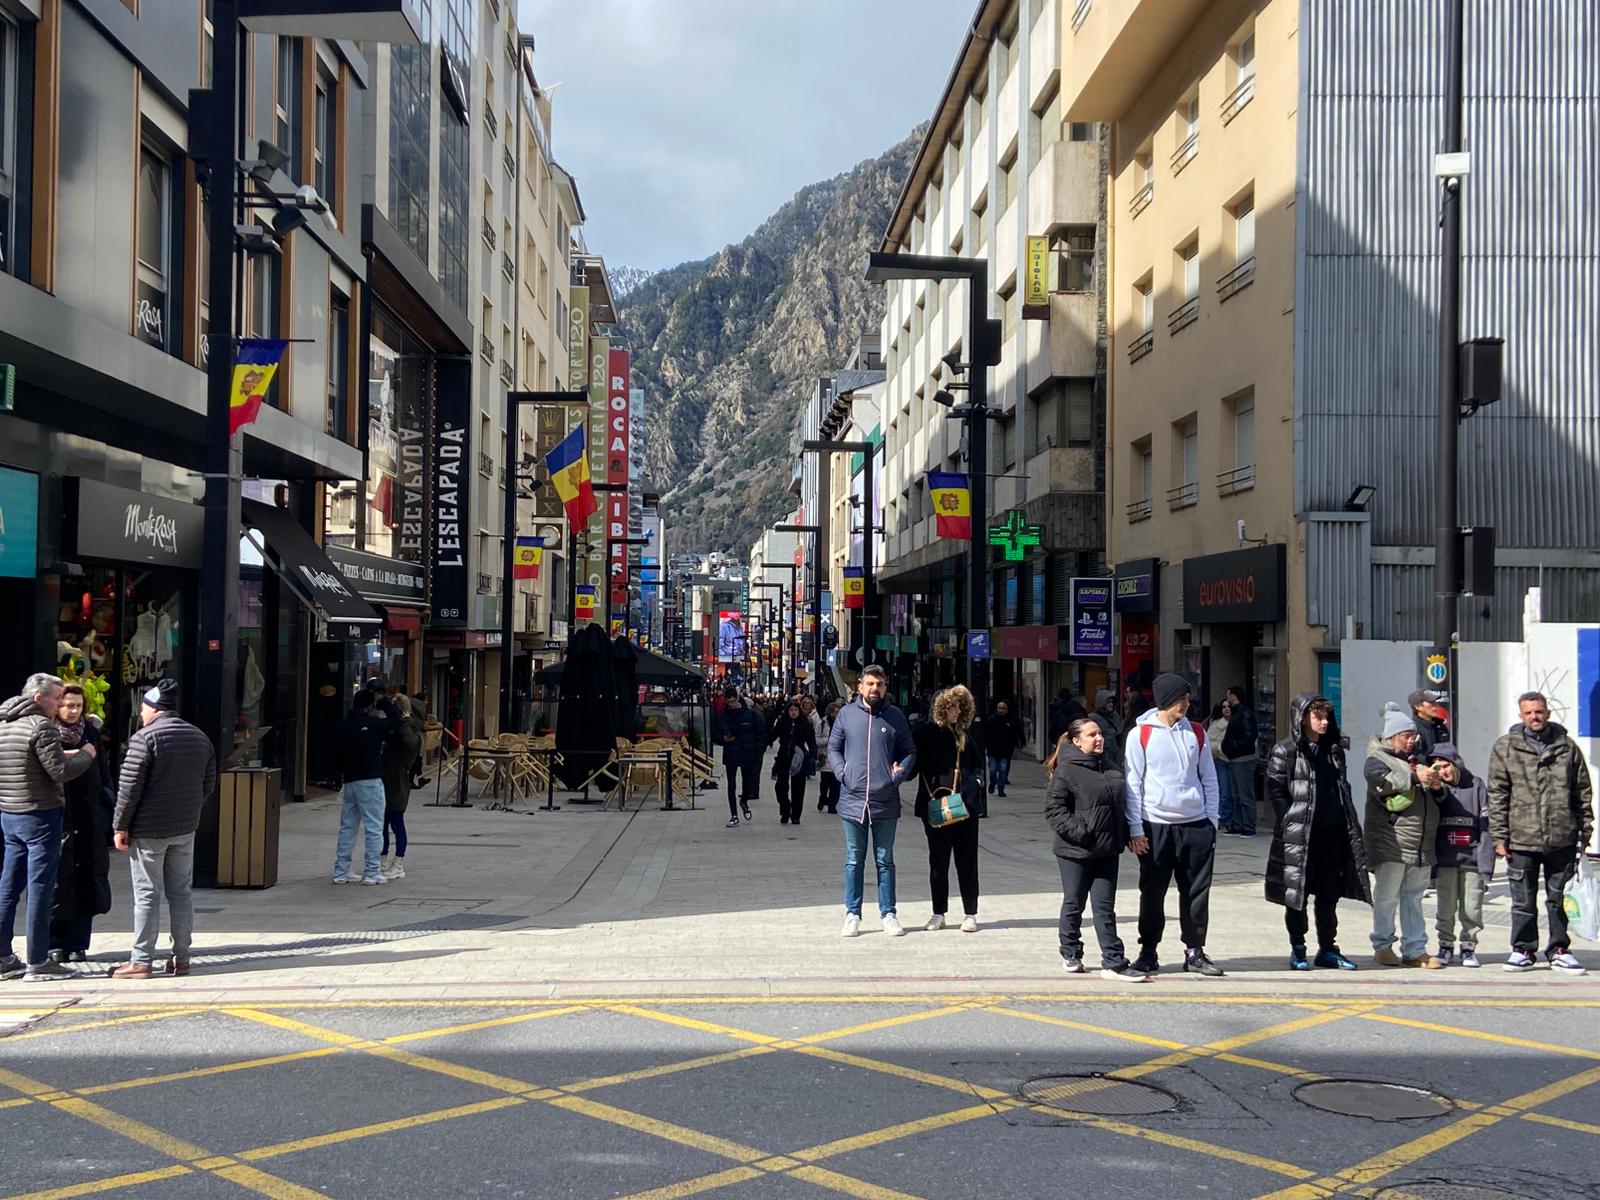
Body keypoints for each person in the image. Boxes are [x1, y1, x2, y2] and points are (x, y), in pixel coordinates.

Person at [108, 680, 217, 979]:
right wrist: (189, 810)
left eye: (143, 708)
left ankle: (141, 960)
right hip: (184, 827)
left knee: (147, 894)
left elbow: (128, 789)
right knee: (181, 892)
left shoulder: (144, 739)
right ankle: (182, 958)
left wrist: (120, 825)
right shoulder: (199, 737)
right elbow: (208, 785)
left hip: (148, 829)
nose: (141, 713)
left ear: (154, 708)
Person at [1123, 673, 1224, 977]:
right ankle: (1148, 950)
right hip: (1155, 825)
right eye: (1182, 698)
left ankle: (1195, 951)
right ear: (1165, 700)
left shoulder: (1196, 733)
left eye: (1188, 698)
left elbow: (1209, 778)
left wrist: (1212, 822)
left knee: (1196, 891)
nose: (1187, 703)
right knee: (1152, 893)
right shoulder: (1140, 735)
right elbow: (1132, 784)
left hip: (1196, 826)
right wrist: (1135, 828)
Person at [1487, 691, 1594, 974]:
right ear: (1521, 715)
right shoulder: (1506, 748)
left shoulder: (1567, 747)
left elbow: (1582, 791)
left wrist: (1585, 830)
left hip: (1562, 837)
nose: (1534, 717)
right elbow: (1497, 794)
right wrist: (1499, 836)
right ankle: (1522, 949)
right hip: (1521, 838)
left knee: (1559, 899)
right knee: (1522, 900)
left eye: (1539, 711)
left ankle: (1559, 949)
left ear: (1547, 712)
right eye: (1528, 713)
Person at [0, 672, 97, 981]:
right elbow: (60, 771)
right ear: (39, 698)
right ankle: (38, 960)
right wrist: (86, 755)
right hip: (41, 815)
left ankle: (3, 956)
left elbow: (28, 763)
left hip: (10, 813)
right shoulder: (41, 726)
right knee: (42, 888)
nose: (60, 705)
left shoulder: (5, 723)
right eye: (56, 699)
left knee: (8, 887)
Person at [1264, 694, 1370, 972]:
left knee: (1329, 895)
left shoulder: (1334, 751)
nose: (1324, 722)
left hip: (1332, 834)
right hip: (1300, 836)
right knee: (1297, 895)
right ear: (1303, 718)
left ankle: (1328, 948)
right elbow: (1275, 789)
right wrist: (1288, 818)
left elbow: (1341, 788)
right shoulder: (1285, 750)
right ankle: (1298, 949)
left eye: (1326, 717)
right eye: (1318, 717)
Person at [1047, 718, 1147, 981]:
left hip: (1107, 850)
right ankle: (1070, 951)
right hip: (1075, 851)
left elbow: (1121, 804)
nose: (1099, 738)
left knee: (1104, 907)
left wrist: (1127, 834)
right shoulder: (1066, 770)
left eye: (1100, 733)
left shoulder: (1110, 766)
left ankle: (1113, 961)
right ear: (1077, 741)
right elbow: (1054, 810)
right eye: (1092, 735)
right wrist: (1082, 832)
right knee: (1074, 902)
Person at [828, 664, 916, 937]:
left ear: (885, 687)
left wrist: (897, 776)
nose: (874, 688)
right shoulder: (846, 714)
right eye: (870, 684)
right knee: (854, 859)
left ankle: (888, 913)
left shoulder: (895, 717)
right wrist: (843, 773)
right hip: (852, 800)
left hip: (885, 800)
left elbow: (909, 750)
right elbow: (833, 748)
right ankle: (852, 914)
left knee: (884, 859)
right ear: (860, 687)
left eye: (879, 684)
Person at [1364, 702, 1444, 969]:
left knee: (1414, 896)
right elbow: (1381, 783)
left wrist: (1435, 784)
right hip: (1392, 842)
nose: (1411, 741)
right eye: (1406, 736)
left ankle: (1415, 949)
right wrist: (1413, 776)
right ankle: (1383, 945)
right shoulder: (1377, 759)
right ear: (1392, 736)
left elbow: (1435, 796)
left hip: (1420, 842)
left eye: (1413, 736)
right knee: (1387, 896)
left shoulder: (1417, 760)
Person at [49, 683, 115, 963]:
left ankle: (78, 943)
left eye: (78, 705)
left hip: (89, 820)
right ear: (57, 706)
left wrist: (107, 811)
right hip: (58, 819)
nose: (73, 710)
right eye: (67, 705)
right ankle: (53, 943)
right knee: (57, 882)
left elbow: (104, 775)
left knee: (87, 881)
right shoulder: (47, 733)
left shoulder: (91, 734)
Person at [912, 685, 983, 933]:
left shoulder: (966, 733)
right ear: (941, 707)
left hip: (965, 808)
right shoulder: (924, 733)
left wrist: (975, 787)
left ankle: (970, 912)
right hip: (935, 806)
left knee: (967, 862)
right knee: (938, 862)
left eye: (960, 707)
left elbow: (977, 764)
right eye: (952, 706)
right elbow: (913, 767)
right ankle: (938, 912)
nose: (957, 711)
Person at [331, 682, 402, 884]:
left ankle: (341, 870)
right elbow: (396, 721)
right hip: (370, 780)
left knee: (348, 826)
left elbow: (333, 754)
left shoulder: (341, 726)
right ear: (370, 706)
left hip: (349, 781)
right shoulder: (372, 724)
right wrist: (385, 702)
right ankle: (371, 871)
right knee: (374, 826)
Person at [1430, 742, 1491, 968]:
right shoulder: (1438, 791)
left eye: (1446, 766)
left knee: (1472, 907)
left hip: (1472, 860)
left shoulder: (1476, 786)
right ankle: (1445, 945)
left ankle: (1468, 947)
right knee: (1445, 906)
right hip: (1446, 860)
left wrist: (1486, 863)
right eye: (1437, 768)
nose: (1444, 772)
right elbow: (1438, 800)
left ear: (1455, 763)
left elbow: (1486, 826)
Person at [378, 692, 424, 880]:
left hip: (398, 781)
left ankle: (398, 863)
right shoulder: (393, 729)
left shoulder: (409, 729)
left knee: (396, 821)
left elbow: (410, 743)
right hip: (385, 778)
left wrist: (403, 723)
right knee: (382, 822)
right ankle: (382, 859)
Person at [713, 687, 765, 827]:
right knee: (731, 784)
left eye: (733, 700)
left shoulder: (750, 715)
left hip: (747, 752)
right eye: (728, 702)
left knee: (748, 782)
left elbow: (760, 733)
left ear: (738, 697)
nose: (731, 704)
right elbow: (715, 734)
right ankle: (734, 815)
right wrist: (723, 740)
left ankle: (744, 801)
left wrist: (757, 749)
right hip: (731, 753)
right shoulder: (723, 716)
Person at [768, 699, 817, 825]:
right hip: (784, 757)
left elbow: (811, 741)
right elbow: (772, 735)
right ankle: (785, 809)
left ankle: (796, 815)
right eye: (791, 710)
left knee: (798, 788)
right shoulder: (782, 722)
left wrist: (812, 755)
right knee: (781, 787)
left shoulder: (805, 723)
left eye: (796, 710)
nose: (794, 713)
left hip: (799, 758)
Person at [1220, 686, 1259, 835]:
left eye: (1228, 694)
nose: (1226, 697)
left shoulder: (1245, 714)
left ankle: (1248, 826)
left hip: (1244, 759)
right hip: (1234, 759)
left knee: (1245, 794)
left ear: (1233, 695)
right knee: (1235, 794)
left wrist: (1231, 746)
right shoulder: (1237, 713)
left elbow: (1249, 737)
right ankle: (1237, 825)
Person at [1206, 701, 1236, 834]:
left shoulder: (1236, 722)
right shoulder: (1215, 725)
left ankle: (1232, 820)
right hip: (1220, 761)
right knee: (1224, 792)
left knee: (1234, 793)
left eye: (1229, 706)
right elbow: (1209, 744)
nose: (1226, 709)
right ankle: (1224, 819)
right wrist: (1220, 748)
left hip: (1235, 760)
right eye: (1224, 707)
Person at [984, 700, 1023, 798]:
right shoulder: (991, 720)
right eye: (999, 708)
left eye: (1003, 708)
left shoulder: (1011, 720)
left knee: (1002, 771)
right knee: (992, 770)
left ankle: (1001, 789)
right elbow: (985, 734)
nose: (1001, 710)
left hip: (1005, 751)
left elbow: (1017, 732)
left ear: (1007, 710)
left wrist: (1018, 742)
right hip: (992, 750)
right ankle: (993, 783)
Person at [1408, 689, 1451, 760]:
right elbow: (1415, 756)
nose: (1436, 706)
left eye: (1436, 703)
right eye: (1431, 703)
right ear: (1417, 706)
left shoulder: (1440, 726)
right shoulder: (1412, 729)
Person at [816, 700, 843, 814]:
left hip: (838, 757)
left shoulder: (843, 724)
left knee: (836, 784)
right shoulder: (822, 723)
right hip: (825, 756)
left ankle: (832, 806)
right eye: (836, 712)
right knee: (825, 782)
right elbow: (816, 739)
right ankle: (823, 798)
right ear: (831, 712)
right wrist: (829, 740)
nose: (838, 714)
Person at [1090, 689, 1125, 770]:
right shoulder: (1093, 718)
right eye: (1108, 702)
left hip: (1117, 754)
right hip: (1104, 756)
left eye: (1112, 702)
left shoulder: (1115, 716)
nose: (1111, 704)